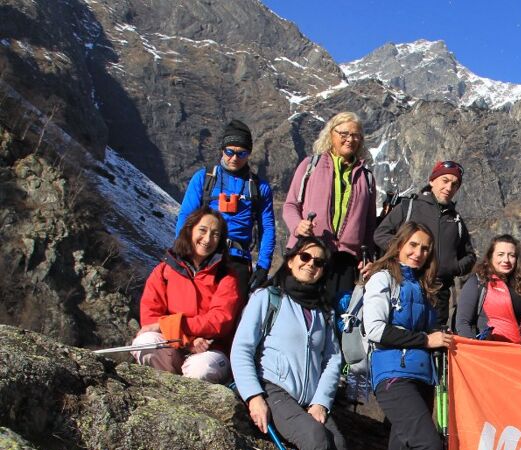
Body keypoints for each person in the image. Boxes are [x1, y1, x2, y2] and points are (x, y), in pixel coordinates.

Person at [230, 236, 353, 450]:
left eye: (319, 263)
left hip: (309, 398)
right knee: (315, 438)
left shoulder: (323, 311)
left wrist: (321, 402)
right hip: (273, 388)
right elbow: (242, 348)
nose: (311, 265)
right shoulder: (268, 298)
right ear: (291, 260)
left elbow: (333, 359)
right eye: (305, 258)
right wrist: (253, 396)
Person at [362, 221, 453, 450]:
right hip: (393, 375)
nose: (418, 253)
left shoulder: (424, 288)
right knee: (427, 445)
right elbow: (375, 329)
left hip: (422, 378)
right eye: (413, 245)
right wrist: (426, 341)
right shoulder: (383, 279)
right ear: (399, 245)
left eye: (425, 248)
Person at [132, 208, 242, 383]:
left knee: (201, 370)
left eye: (215, 234)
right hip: (174, 345)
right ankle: (165, 390)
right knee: (144, 342)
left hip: (211, 350)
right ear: (190, 230)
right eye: (203, 230)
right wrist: (187, 341)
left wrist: (172, 325)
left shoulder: (226, 277)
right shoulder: (164, 271)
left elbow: (219, 321)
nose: (207, 239)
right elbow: (150, 318)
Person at [283, 112, 377, 304]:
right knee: (299, 309)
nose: (350, 139)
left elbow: (369, 225)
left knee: (336, 318)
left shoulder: (366, 178)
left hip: (346, 261)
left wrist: (367, 257)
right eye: (344, 133)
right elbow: (291, 205)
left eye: (355, 135)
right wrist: (297, 226)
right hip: (309, 253)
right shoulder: (310, 166)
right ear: (331, 134)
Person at [176, 120, 276, 299]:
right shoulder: (203, 178)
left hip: (238, 261)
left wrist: (263, 266)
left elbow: (267, 228)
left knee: (230, 319)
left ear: (249, 154)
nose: (234, 158)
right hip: (203, 256)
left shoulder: (260, 188)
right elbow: (186, 215)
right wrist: (181, 250)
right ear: (222, 150)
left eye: (241, 153)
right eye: (229, 152)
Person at [374, 160, 475, 327]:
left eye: (455, 184)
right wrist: (404, 251)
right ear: (432, 181)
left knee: (436, 342)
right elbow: (380, 234)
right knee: (405, 333)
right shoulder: (409, 207)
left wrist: (454, 267)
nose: (449, 188)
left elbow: (469, 255)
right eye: (445, 181)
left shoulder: (456, 219)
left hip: (439, 293)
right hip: (404, 285)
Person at [454, 234, 521, 343]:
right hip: (491, 353)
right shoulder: (478, 282)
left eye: (511, 255)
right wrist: (473, 348)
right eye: (500, 254)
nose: (506, 260)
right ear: (491, 256)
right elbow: (463, 323)